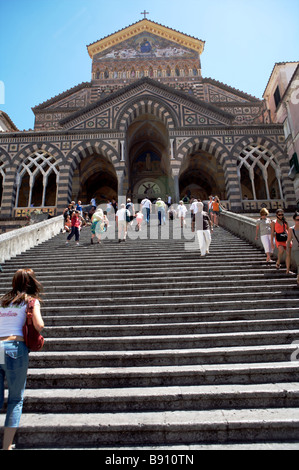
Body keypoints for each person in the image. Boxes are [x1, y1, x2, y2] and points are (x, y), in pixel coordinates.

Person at [0, 268, 44, 450]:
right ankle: (6, 446)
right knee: (15, 399)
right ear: (31, 283)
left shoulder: (2, 301)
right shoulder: (31, 302)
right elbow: (39, 325)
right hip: (15, 348)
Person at [287, 211, 299, 285]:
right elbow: (288, 241)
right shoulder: (291, 229)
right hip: (296, 249)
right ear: (294, 220)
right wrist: (288, 249)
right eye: (297, 220)